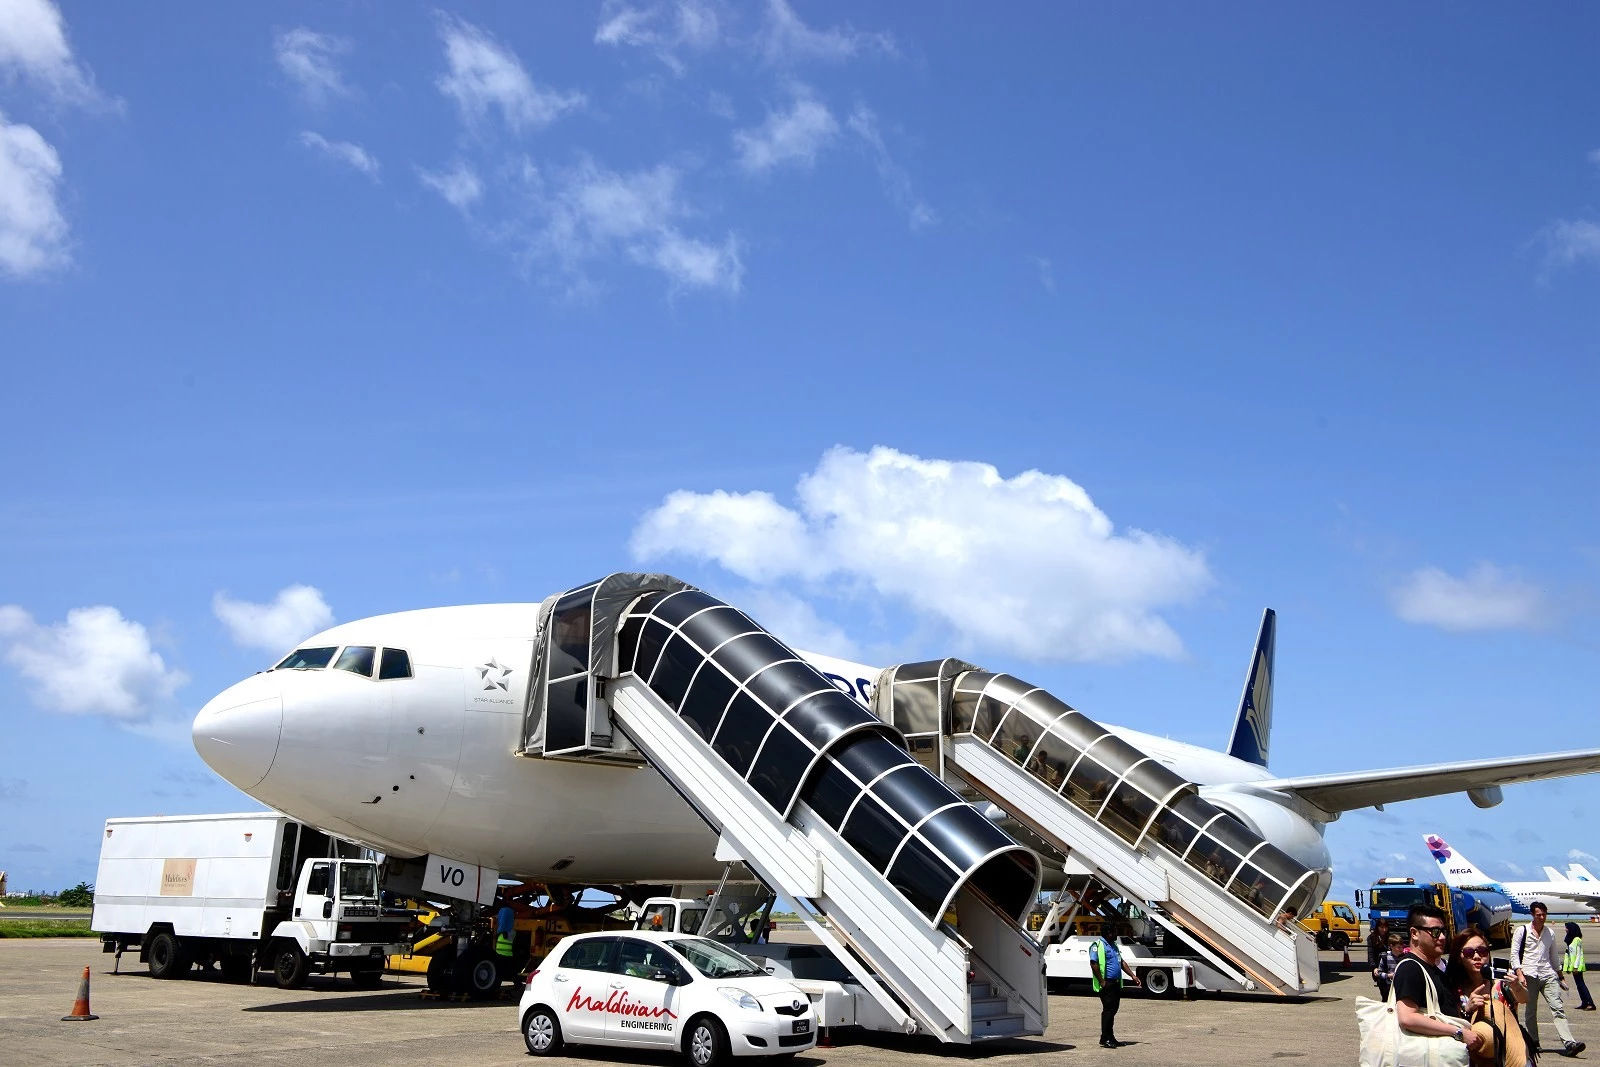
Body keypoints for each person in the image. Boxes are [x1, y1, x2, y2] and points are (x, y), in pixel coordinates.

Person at [1394, 904, 1485, 1057]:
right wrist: (1458, 1032)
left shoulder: (1435, 970)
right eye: (1435, 932)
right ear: (1414, 933)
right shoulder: (1410, 968)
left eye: (1443, 931)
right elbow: (1407, 1018)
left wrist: (1465, 1010)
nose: (1442, 937)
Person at [1444, 925, 1531, 1067]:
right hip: (1474, 1057)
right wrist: (1467, 1009)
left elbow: (1525, 999)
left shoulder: (1501, 983)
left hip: (1508, 1052)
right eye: (1469, 952)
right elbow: (1450, 1023)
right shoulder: (1453, 988)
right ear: (1459, 957)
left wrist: (1516, 986)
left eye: (1483, 951)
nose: (1477, 956)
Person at [1513, 902, 1586, 1057]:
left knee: (1557, 1007)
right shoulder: (1522, 931)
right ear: (1533, 915)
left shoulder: (1550, 933)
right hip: (1529, 975)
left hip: (1548, 975)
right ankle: (1533, 1041)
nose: (1542, 917)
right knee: (1531, 1011)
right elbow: (1514, 954)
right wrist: (1519, 974)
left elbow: (1553, 956)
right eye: (1539, 914)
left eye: (1544, 914)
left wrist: (1560, 976)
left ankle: (1569, 1043)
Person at [1088, 933, 1140, 1048]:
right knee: (1108, 1010)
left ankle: (1108, 1037)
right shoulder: (1097, 945)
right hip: (1106, 983)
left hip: (1116, 983)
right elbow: (1093, 963)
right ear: (1108, 933)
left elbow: (1121, 962)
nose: (1117, 934)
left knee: (1113, 1010)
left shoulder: (1114, 946)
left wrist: (1133, 976)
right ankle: (1106, 1038)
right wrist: (1102, 981)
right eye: (1114, 931)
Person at [1563, 922, 1594, 1012]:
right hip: (1572, 966)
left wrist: (1576, 967)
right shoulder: (1571, 939)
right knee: (1578, 985)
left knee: (1581, 984)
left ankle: (1590, 1003)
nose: (1565, 929)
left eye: (1567, 928)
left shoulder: (1577, 940)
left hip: (1577, 966)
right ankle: (1584, 1003)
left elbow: (1579, 954)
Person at [1376, 932, 1404, 1002]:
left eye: (1402, 947)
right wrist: (1388, 975)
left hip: (1401, 986)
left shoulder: (1404, 957)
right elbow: (1378, 973)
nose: (1401, 949)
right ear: (1391, 946)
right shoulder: (1385, 957)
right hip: (1388, 987)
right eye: (1398, 947)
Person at [1370, 918, 1393, 992]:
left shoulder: (1390, 937)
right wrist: (1374, 967)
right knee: (1383, 991)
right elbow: (1371, 953)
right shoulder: (1372, 937)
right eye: (1382, 927)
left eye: (1386, 927)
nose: (1384, 929)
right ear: (1377, 927)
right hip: (1379, 966)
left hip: (1390, 966)